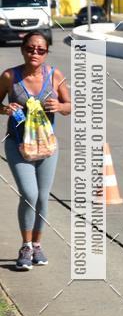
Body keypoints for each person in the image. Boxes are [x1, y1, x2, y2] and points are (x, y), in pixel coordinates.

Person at [0, 30, 71, 270]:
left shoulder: (54, 76)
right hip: (18, 145)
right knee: (29, 194)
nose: (35, 53)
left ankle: (37, 246)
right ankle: (25, 246)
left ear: (46, 53)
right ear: (23, 49)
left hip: (47, 146)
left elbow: (70, 105)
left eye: (40, 50)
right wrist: (5, 109)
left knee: (42, 197)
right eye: (30, 48)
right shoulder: (10, 76)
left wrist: (60, 105)